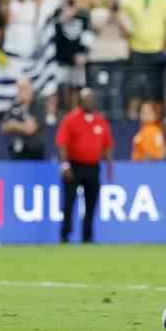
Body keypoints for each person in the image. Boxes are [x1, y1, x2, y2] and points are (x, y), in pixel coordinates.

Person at [54, 88, 114, 244]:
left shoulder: (100, 121)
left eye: (91, 99)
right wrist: (65, 164)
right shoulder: (71, 119)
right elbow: (62, 143)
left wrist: (109, 166)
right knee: (69, 202)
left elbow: (107, 146)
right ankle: (65, 235)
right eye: (86, 99)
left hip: (93, 167)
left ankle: (87, 236)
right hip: (74, 166)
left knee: (91, 203)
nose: (89, 102)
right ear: (80, 101)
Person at [0, 78, 46, 160]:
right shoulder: (14, 106)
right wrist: (22, 126)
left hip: (34, 154)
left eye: (23, 88)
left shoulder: (39, 107)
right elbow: (4, 127)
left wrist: (13, 124)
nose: (20, 91)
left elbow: (31, 129)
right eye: (19, 89)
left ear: (30, 89)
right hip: (15, 154)